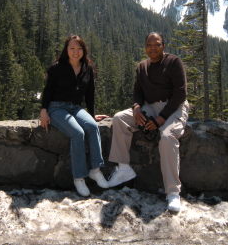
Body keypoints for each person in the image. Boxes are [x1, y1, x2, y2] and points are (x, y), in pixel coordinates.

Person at [107, 32, 190, 213]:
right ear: (145, 47)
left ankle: (173, 192)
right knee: (120, 118)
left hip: (174, 107)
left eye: (157, 44)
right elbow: (137, 92)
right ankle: (123, 167)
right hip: (149, 107)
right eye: (149, 45)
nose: (153, 48)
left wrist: (161, 119)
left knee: (167, 137)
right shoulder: (142, 67)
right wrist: (137, 107)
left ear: (163, 46)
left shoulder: (174, 62)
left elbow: (180, 94)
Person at [40, 35, 108, 197]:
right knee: (78, 133)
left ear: (84, 51)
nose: (76, 52)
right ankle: (79, 178)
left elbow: (90, 95)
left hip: (76, 108)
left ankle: (95, 170)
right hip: (56, 108)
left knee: (92, 126)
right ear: (66, 50)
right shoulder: (57, 68)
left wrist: (91, 115)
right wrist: (43, 110)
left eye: (79, 49)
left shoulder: (87, 69)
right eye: (72, 48)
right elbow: (48, 90)